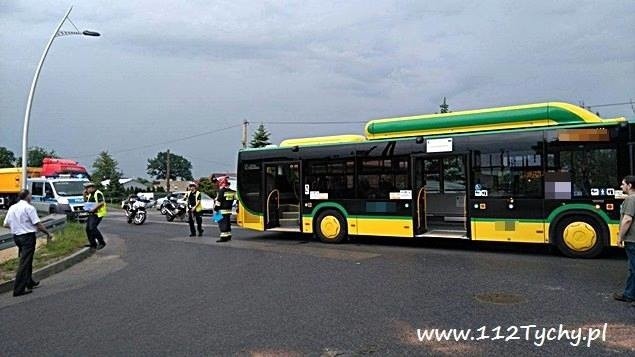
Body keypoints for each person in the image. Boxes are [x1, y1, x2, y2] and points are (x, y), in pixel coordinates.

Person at [3, 189, 51, 297]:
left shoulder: (13, 207)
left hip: (17, 237)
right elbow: (37, 224)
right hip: (27, 237)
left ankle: (29, 282)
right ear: (27, 196)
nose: (31, 197)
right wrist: (48, 233)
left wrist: (17, 226)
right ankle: (18, 289)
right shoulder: (29, 208)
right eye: (30, 195)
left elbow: (6, 224)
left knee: (26, 259)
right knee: (24, 262)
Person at [614, 175, 635, 305]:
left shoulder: (631, 199)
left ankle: (629, 295)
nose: (621, 186)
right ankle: (629, 294)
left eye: (623, 184)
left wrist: (620, 237)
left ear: (630, 185)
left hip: (632, 240)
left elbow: (627, 220)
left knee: (633, 269)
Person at [83, 182, 107, 249]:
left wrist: (94, 209)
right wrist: (84, 195)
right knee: (88, 229)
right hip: (92, 214)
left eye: (87, 188)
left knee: (92, 228)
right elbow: (86, 202)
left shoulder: (98, 193)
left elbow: (101, 202)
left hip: (98, 213)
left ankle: (102, 242)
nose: (86, 190)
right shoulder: (90, 194)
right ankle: (93, 244)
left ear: (92, 187)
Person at [214, 176, 236, 242]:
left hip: (221, 210)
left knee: (221, 223)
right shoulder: (232, 192)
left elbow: (218, 201)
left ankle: (223, 237)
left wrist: (216, 209)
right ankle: (228, 235)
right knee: (227, 223)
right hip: (229, 210)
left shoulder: (221, 191)